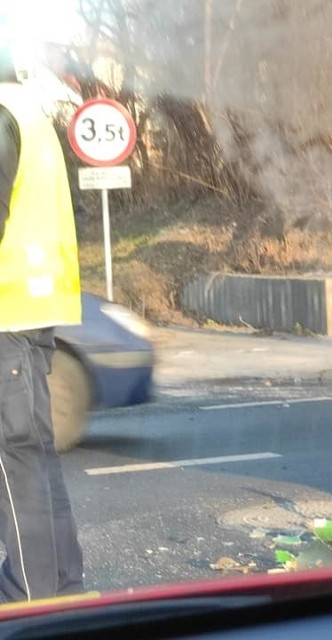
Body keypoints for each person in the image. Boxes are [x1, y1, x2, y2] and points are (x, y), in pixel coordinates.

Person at [0, 47, 84, 602]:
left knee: (15, 462)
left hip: (6, 318)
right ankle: (60, 588)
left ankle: (27, 600)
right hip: (31, 315)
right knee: (35, 459)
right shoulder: (29, 112)